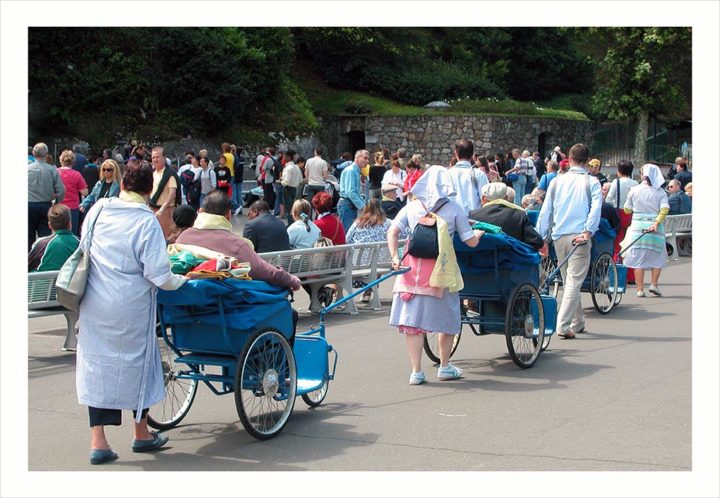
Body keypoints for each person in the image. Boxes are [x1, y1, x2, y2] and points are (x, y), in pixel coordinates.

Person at [76, 160, 188, 465]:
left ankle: (98, 440)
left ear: (122, 183)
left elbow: (84, 247)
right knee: (140, 365)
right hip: (131, 305)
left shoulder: (98, 210)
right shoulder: (145, 221)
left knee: (97, 367)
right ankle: (141, 433)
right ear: (149, 190)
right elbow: (159, 274)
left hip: (95, 302)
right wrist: (182, 280)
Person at [387, 165, 485, 385]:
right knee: (448, 320)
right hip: (441, 275)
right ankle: (444, 366)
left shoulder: (411, 208)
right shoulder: (454, 209)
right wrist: (478, 233)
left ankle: (416, 372)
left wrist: (394, 256)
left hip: (410, 274)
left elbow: (392, 231)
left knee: (413, 325)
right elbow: (470, 242)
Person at [536, 143, 602, 340]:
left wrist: (542, 237)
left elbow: (546, 210)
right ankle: (563, 325)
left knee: (569, 280)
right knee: (573, 281)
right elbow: (596, 208)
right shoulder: (592, 182)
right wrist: (588, 231)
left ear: (570, 159)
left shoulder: (557, 181)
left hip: (559, 235)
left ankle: (578, 321)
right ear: (588, 161)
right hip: (579, 234)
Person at [177, 191, 300, 291]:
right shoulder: (235, 244)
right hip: (226, 310)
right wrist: (292, 280)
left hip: (186, 308)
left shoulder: (182, 238)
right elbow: (263, 270)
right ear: (228, 215)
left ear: (201, 211)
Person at [619, 164, 670, 298]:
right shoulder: (660, 192)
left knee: (638, 259)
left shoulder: (634, 190)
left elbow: (627, 209)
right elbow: (664, 209)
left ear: (643, 175)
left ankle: (640, 289)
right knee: (657, 257)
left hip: (637, 227)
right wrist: (656, 223)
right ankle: (653, 284)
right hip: (655, 227)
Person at [469, 182, 544, 250]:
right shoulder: (519, 214)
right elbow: (537, 242)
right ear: (506, 198)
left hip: (480, 263)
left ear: (483, 199)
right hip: (513, 263)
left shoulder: (472, 215)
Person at [346, 199, 393, 302]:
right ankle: (369, 289)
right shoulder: (388, 223)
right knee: (378, 260)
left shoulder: (357, 223)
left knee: (373, 260)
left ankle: (368, 290)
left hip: (357, 263)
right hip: (381, 262)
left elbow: (347, 239)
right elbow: (403, 234)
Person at [28, 142, 66, 250]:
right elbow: (61, 190)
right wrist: (57, 203)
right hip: (45, 205)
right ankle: (42, 259)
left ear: (33, 153)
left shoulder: (26, 169)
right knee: (44, 237)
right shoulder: (52, 170)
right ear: (46, 154)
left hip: (28, 205)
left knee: (27, 236)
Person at [28, 204, 79, 272]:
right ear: (70, 224)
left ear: (49, 225)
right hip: (71, 282)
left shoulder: (41, 244)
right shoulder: (80, 244)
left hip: (43, 282)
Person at [606, 160, 639, 262]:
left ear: (619, 171)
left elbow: (608, 199)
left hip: (618, 213)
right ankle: (627, 261)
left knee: (617, 239)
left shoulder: (616, 182)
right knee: (628, 238)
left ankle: (616, 260)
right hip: (630, 214)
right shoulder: (636, 183)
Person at [447, 138, 488, 214]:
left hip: (452, 221)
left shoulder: (446, 174)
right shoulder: (479, 174)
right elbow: (486, 200)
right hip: (474, 221)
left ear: (455, 153)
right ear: (473, 155)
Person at [149, 147, 181, 239]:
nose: (155, 159)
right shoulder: (153, 172)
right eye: (153, 157)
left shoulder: (170, 174)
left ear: (164, 158)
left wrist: (162, 209)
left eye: (157, 157)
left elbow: (172, 194)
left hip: (166, 210)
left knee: (166, 236)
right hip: (153, 208)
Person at [57, 149, 89, 236]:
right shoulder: (77, 174)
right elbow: (85, 192)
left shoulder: (56, 172)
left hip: (58, 206)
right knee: (72, 232)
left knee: (58, 232)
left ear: (61, 160)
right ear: (73, 162)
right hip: (73, 207)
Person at [337, 149, 368, 231]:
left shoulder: (355, 171)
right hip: (346, 204)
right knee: (347, 233)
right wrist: (363, 206)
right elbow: (351, 193)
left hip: (349, 205)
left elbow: (355, 193)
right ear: (357, 158)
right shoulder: (351, 171)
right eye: (365, 158)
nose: (367, 161)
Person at [281, 150, 303, 225]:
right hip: (295, 189)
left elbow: (286, 182)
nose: (283, 158)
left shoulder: (288, 168)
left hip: (287, 189)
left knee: (288, 209)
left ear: (289, 157)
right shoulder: (296, 167)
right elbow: (300, 180)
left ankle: (291, 224)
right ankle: (295, 223)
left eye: (284, 156)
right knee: (294, 208)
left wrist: (281, 181)